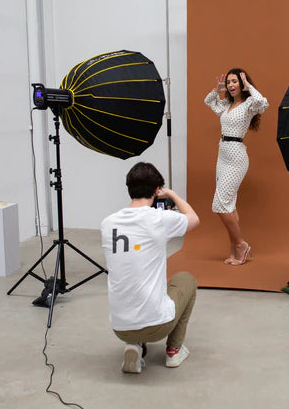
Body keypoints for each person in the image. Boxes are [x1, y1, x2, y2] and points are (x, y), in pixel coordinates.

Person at [100, 162, 200, 373]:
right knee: (186, 280)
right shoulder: (159, 219)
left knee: (134, 280)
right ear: (156, 190)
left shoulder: (107, 223)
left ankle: (135, 345)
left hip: (120, 327)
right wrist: (171, 194)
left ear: (129, 188)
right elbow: (194, 219)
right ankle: (173, 351)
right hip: (157, 326)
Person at [204, 68, 269, 265]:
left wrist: (249, 87)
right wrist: (217, 90)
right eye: (229, 82)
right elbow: (208, 101)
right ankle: (233, 250)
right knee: (229, 205)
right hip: (222, 154)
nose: (231, 85)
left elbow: (263, 103)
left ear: (242, 84)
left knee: (220, 204)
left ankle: (241, 245)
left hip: (236, 156)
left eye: (235, 81)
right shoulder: (227, 104)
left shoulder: (249, 104)